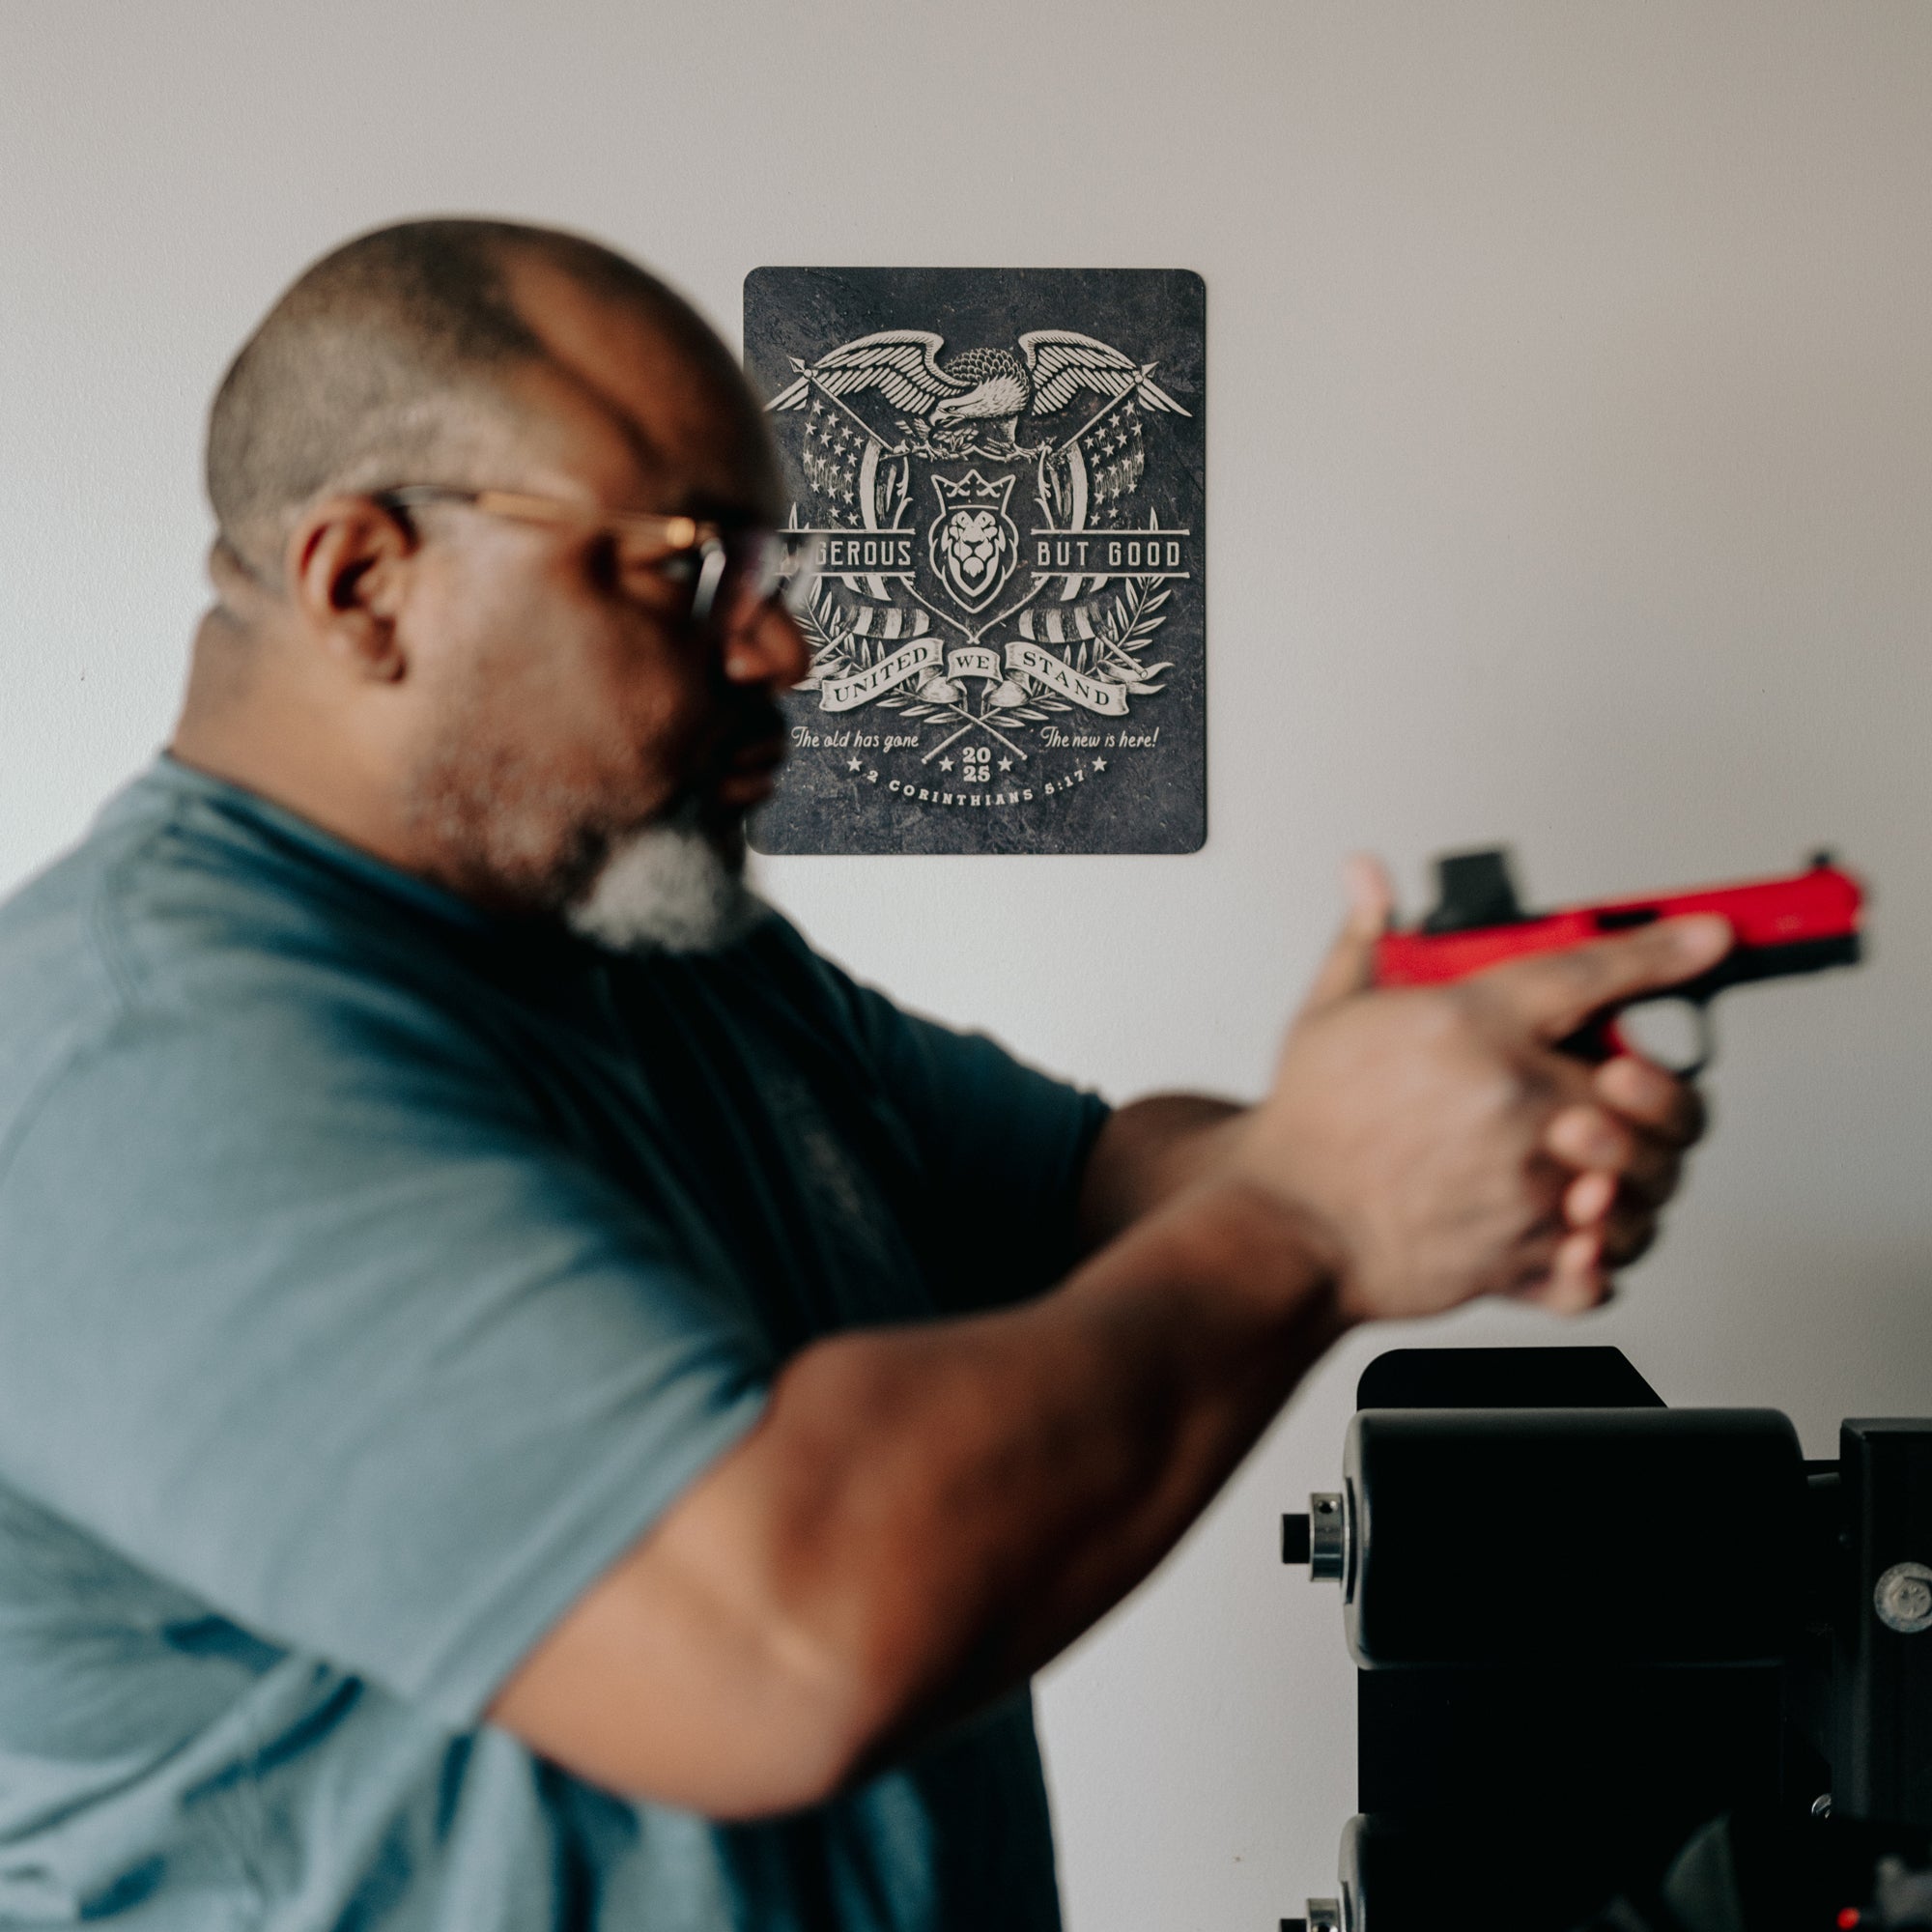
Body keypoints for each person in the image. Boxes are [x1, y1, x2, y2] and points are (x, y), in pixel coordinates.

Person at [0, 218, 1729, 1931]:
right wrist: (1322, 1210)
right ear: (363, 580)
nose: (782, 651)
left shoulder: (655, 943)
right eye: (683, 570)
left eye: (774, 575)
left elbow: (1091, 1193)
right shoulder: (149, 1061)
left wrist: (1418, 1109)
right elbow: (775, 1645)